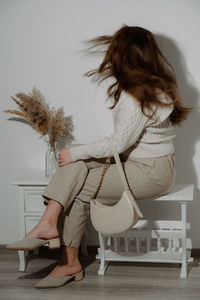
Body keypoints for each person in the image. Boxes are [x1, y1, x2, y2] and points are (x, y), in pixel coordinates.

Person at [7, 25, 192, 288]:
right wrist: (77, 153)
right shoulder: (153, 85)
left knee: (80, 182)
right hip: (152, 163)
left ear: (123, 55)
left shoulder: (135, 94)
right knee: (77, 160)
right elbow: (124, 143)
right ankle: (48, 223)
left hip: (151, 171)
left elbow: (119, 143)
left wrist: (75, 152)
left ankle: (68, 261)